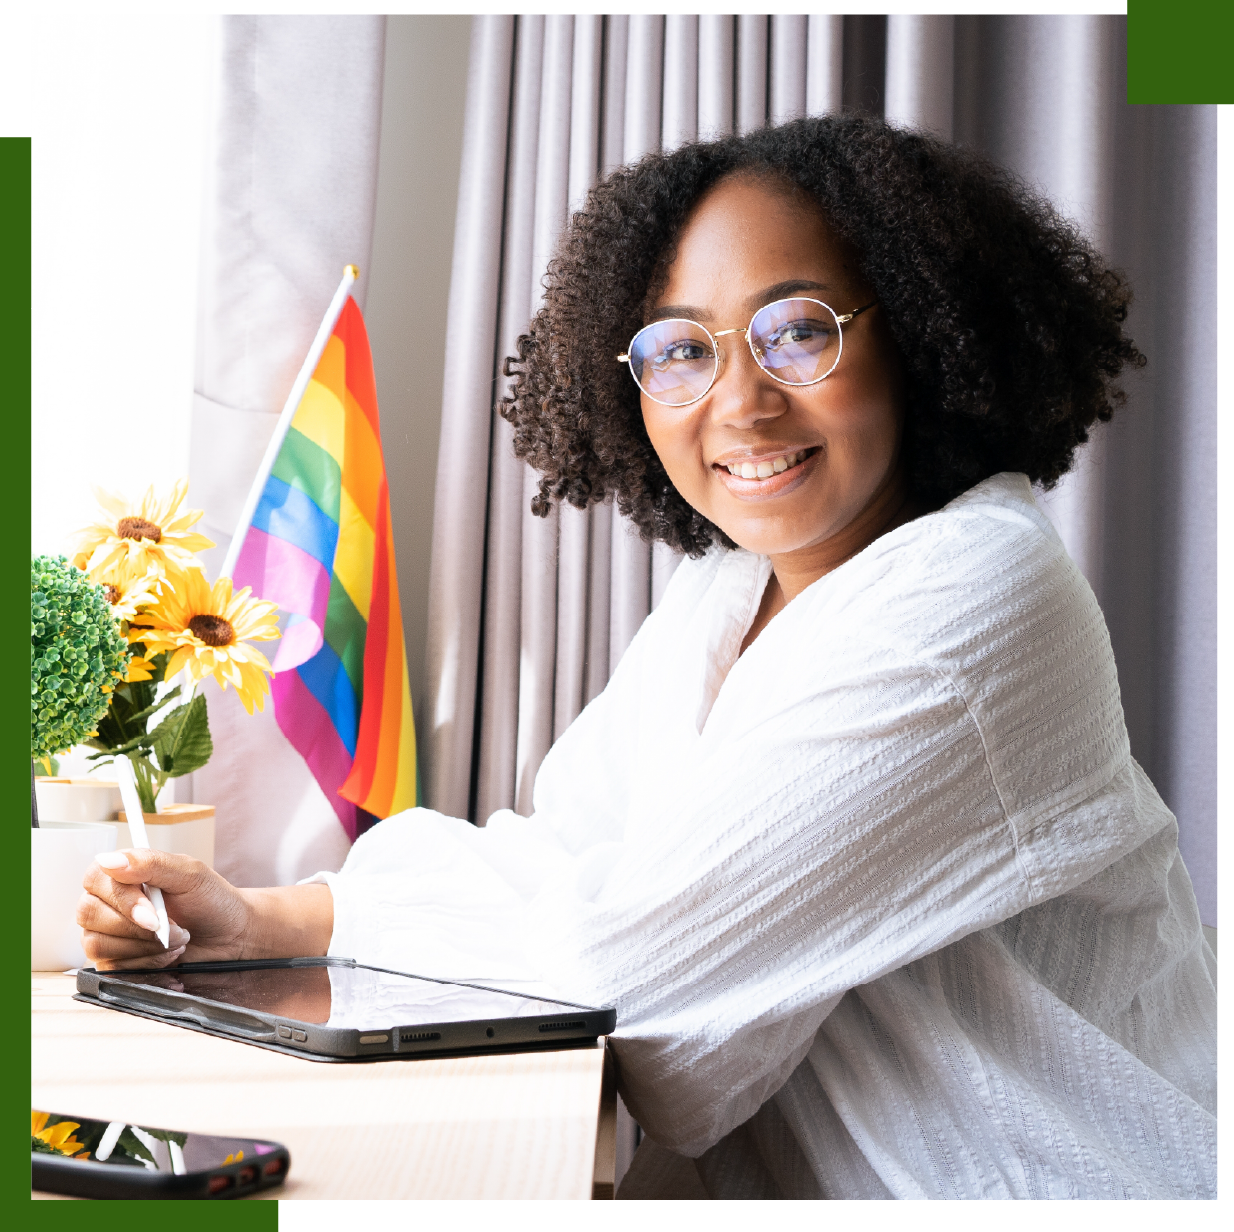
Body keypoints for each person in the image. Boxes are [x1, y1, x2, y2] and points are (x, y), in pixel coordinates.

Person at [77, 116, 1217, 1199]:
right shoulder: (730, 590)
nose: (740, 402)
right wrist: (272, 917)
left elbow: (627, 981)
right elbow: (575, 855)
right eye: (680, 350)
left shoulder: (971, 603)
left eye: (799, 328)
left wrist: (345, 922)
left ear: (919, 332)